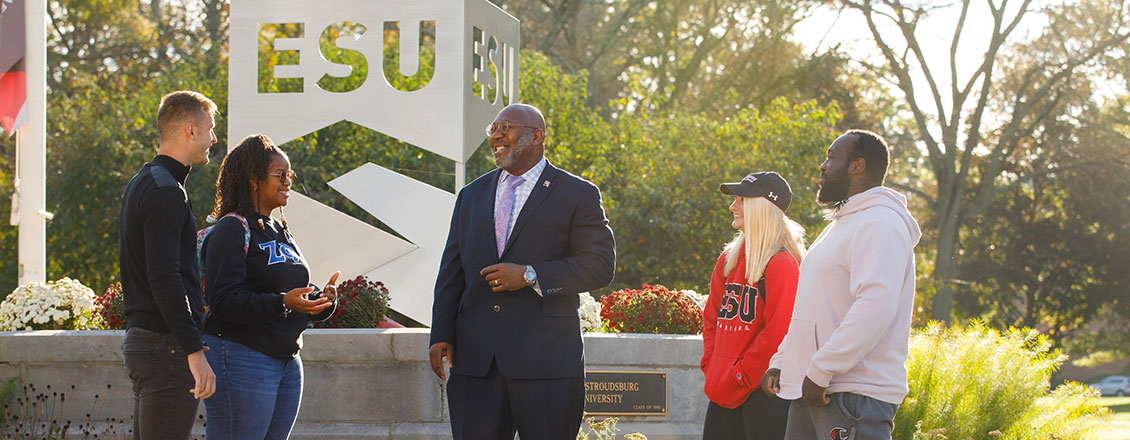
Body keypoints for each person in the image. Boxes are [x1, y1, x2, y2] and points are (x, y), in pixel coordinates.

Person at [429, 103, 616, 440]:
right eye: (494, 128)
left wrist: (531, 275)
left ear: (536, 136)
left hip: (546, 365)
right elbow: (451, 272)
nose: (497, 135)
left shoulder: (578, 194)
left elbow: (600, 266)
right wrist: (440, 332)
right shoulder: (471, 196)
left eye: (507, 127)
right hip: (476, 364)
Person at [761, 130, 921, 439]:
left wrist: (821, 370)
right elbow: (812, 307)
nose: (822, 166)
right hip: (812, 388)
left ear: (857, 166)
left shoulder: (881, 223)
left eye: (832, 157)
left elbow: (875, 307)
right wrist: (784, 360)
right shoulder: (841, 225)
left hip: (853, 395)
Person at [198, 134, 341, 439]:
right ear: (253, 179)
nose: (288, 181)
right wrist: (284, 302)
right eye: (280, 175)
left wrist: (319, 301)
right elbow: (224, 300)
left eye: (290, 174)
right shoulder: (232, 229)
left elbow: (287, 292)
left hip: (287, 360)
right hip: (241, 356)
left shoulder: (279, 230)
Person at [119, 90, 218, 439]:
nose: (213, 139)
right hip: (167, 346)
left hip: (149, 343)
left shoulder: (144, 181)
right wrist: (193, 349)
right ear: (190, 130)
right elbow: (164, 277)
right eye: (210, 128)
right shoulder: (166, 191)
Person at [702, 171, 807, 440]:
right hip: (723, 388)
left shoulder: (783, 262)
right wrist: (712, 365)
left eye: (740, 200)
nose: (732, 206)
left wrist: (740, 376)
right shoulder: (729, 259)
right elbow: (711, 318)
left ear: (762, 206)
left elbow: (778, 333)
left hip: (762, 392)